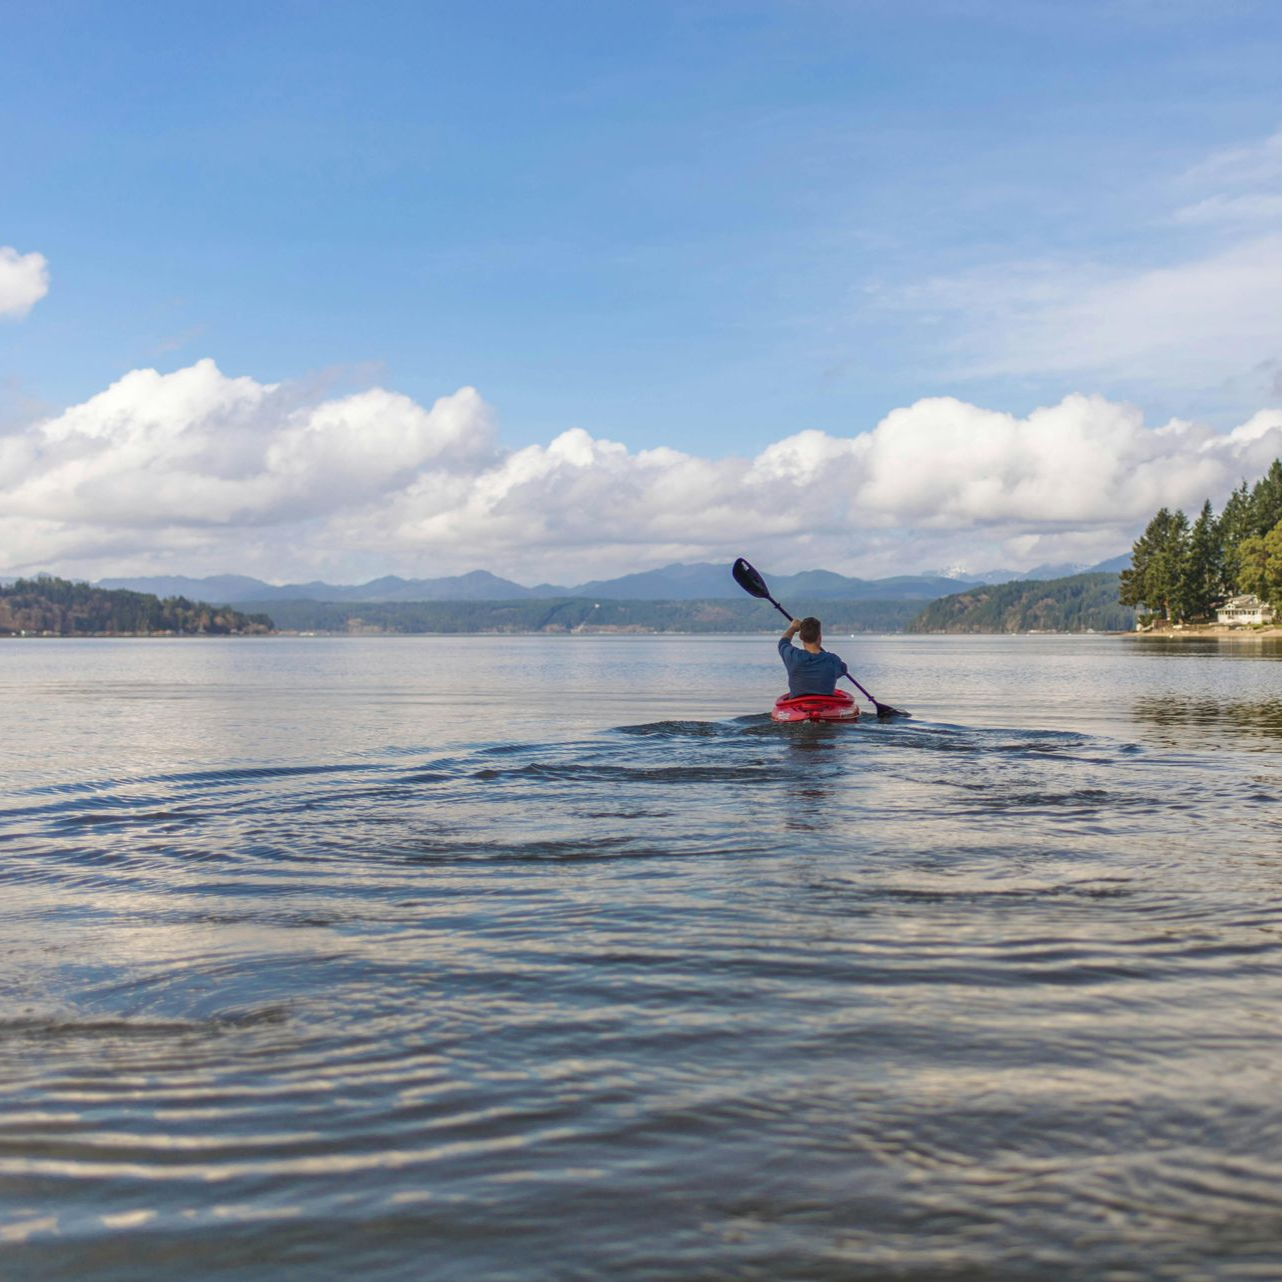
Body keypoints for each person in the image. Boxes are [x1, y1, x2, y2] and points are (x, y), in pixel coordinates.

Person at [778, 616, 848, 696]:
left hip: (798, 705)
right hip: (826, 705)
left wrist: (792, 628)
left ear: (800, 637)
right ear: (819, 637)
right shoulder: (833, 660)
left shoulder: (793, 656)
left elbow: (783, 642)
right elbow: (843, 669)